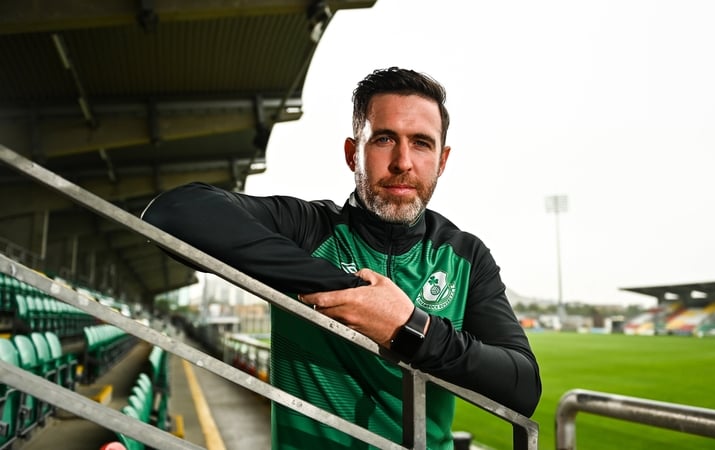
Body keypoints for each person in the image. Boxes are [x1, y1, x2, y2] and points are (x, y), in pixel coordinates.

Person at [142, 67, 542, 449]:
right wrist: (349, 292)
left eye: (421, 143)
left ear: (442, 160)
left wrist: (408, 328)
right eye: (384, 139)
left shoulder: (464, 255)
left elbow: (522, 386)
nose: (403, 161)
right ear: (353, 154)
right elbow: (175, 212)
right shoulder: (308, 228)